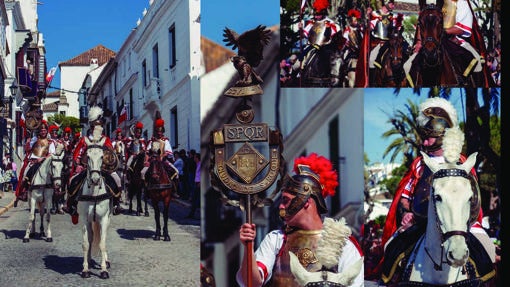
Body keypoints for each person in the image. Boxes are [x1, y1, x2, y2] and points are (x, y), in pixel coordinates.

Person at [376, 97, 496, 282]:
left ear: (441, 135)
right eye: (423, 139)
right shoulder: (419, 165)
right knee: (392, 248)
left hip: (462, 224)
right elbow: (405, 197)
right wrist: (407, 212)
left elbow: (475, 201)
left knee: (488, 249)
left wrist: (465, 222)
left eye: (428, 138)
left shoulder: (463, 165)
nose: (423, 143)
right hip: (421, 223)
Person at [236, 153, 364, 287]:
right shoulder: (276, 240)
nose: (280, 206)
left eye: (286, 200)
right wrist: (248, 248)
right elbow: (250, 283)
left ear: (306, 202)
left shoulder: (344, 245)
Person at [403, 0, 485, 87]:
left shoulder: (460, 2)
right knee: (407, 66)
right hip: (429, 42)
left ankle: (469, 85)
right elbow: (423, 24)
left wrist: (444, 31)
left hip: (454, 40)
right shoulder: (428, 2)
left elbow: (463, 28)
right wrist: (419, 42)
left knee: (477, 62)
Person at [65, 106, 123, 222]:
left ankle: (117, 204)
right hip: (87, 168)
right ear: (91, 127)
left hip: (103, 169)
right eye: (94, 126)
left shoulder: (105, 139)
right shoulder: (85, 139)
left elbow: (110, 154)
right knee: (72, 181)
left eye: (98, 126)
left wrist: (109, 163)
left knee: (117, 179)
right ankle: (71, 205)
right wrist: (78, 162)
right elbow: (79, 153)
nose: (96, 128)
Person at [14, 120, 56, 207]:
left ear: (47, 131)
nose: (43, 132)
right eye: (41, 130)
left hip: (45, 162)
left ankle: (56, 190)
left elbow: (52, 154)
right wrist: (28, 144)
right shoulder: (34, 139)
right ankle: (24, 191)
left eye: (44, 130)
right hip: (33, 160)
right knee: (26, 171)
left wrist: (42, 159)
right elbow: (28, 150)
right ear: (39, 131)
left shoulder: (50, 142)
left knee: (56, 173)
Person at [144, 113, 180, 197]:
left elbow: (169, 152)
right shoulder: (152, 141)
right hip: (153, 161)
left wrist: (162, 156)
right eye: (158, 131)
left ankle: (174, 191)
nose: (159, 133)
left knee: (176, 172)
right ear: (156, 131)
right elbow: (148, 151)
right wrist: (146, 160)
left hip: (163, 160)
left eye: (161, 131)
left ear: (162, 131)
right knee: (144, 173)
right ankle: (147, 190)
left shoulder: (165, 140)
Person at [187, 152, 200, 219]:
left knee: (195, 199)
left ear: (197, 158)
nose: (194, 158)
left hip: (199, 184)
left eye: (195, 157)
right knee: (195, 199)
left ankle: (192, 214)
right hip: (196, 183)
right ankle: (192, 214)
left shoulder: (200, 164)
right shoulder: (197, 164)